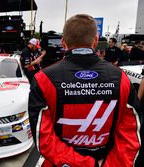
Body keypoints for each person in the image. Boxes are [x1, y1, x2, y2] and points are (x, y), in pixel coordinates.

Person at [28, 14, 142, 167]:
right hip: (108, 161)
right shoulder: (121, 78)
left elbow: (44, 139)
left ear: (63, 42)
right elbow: (130, 135)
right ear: (95, 41)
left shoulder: (43, 79)